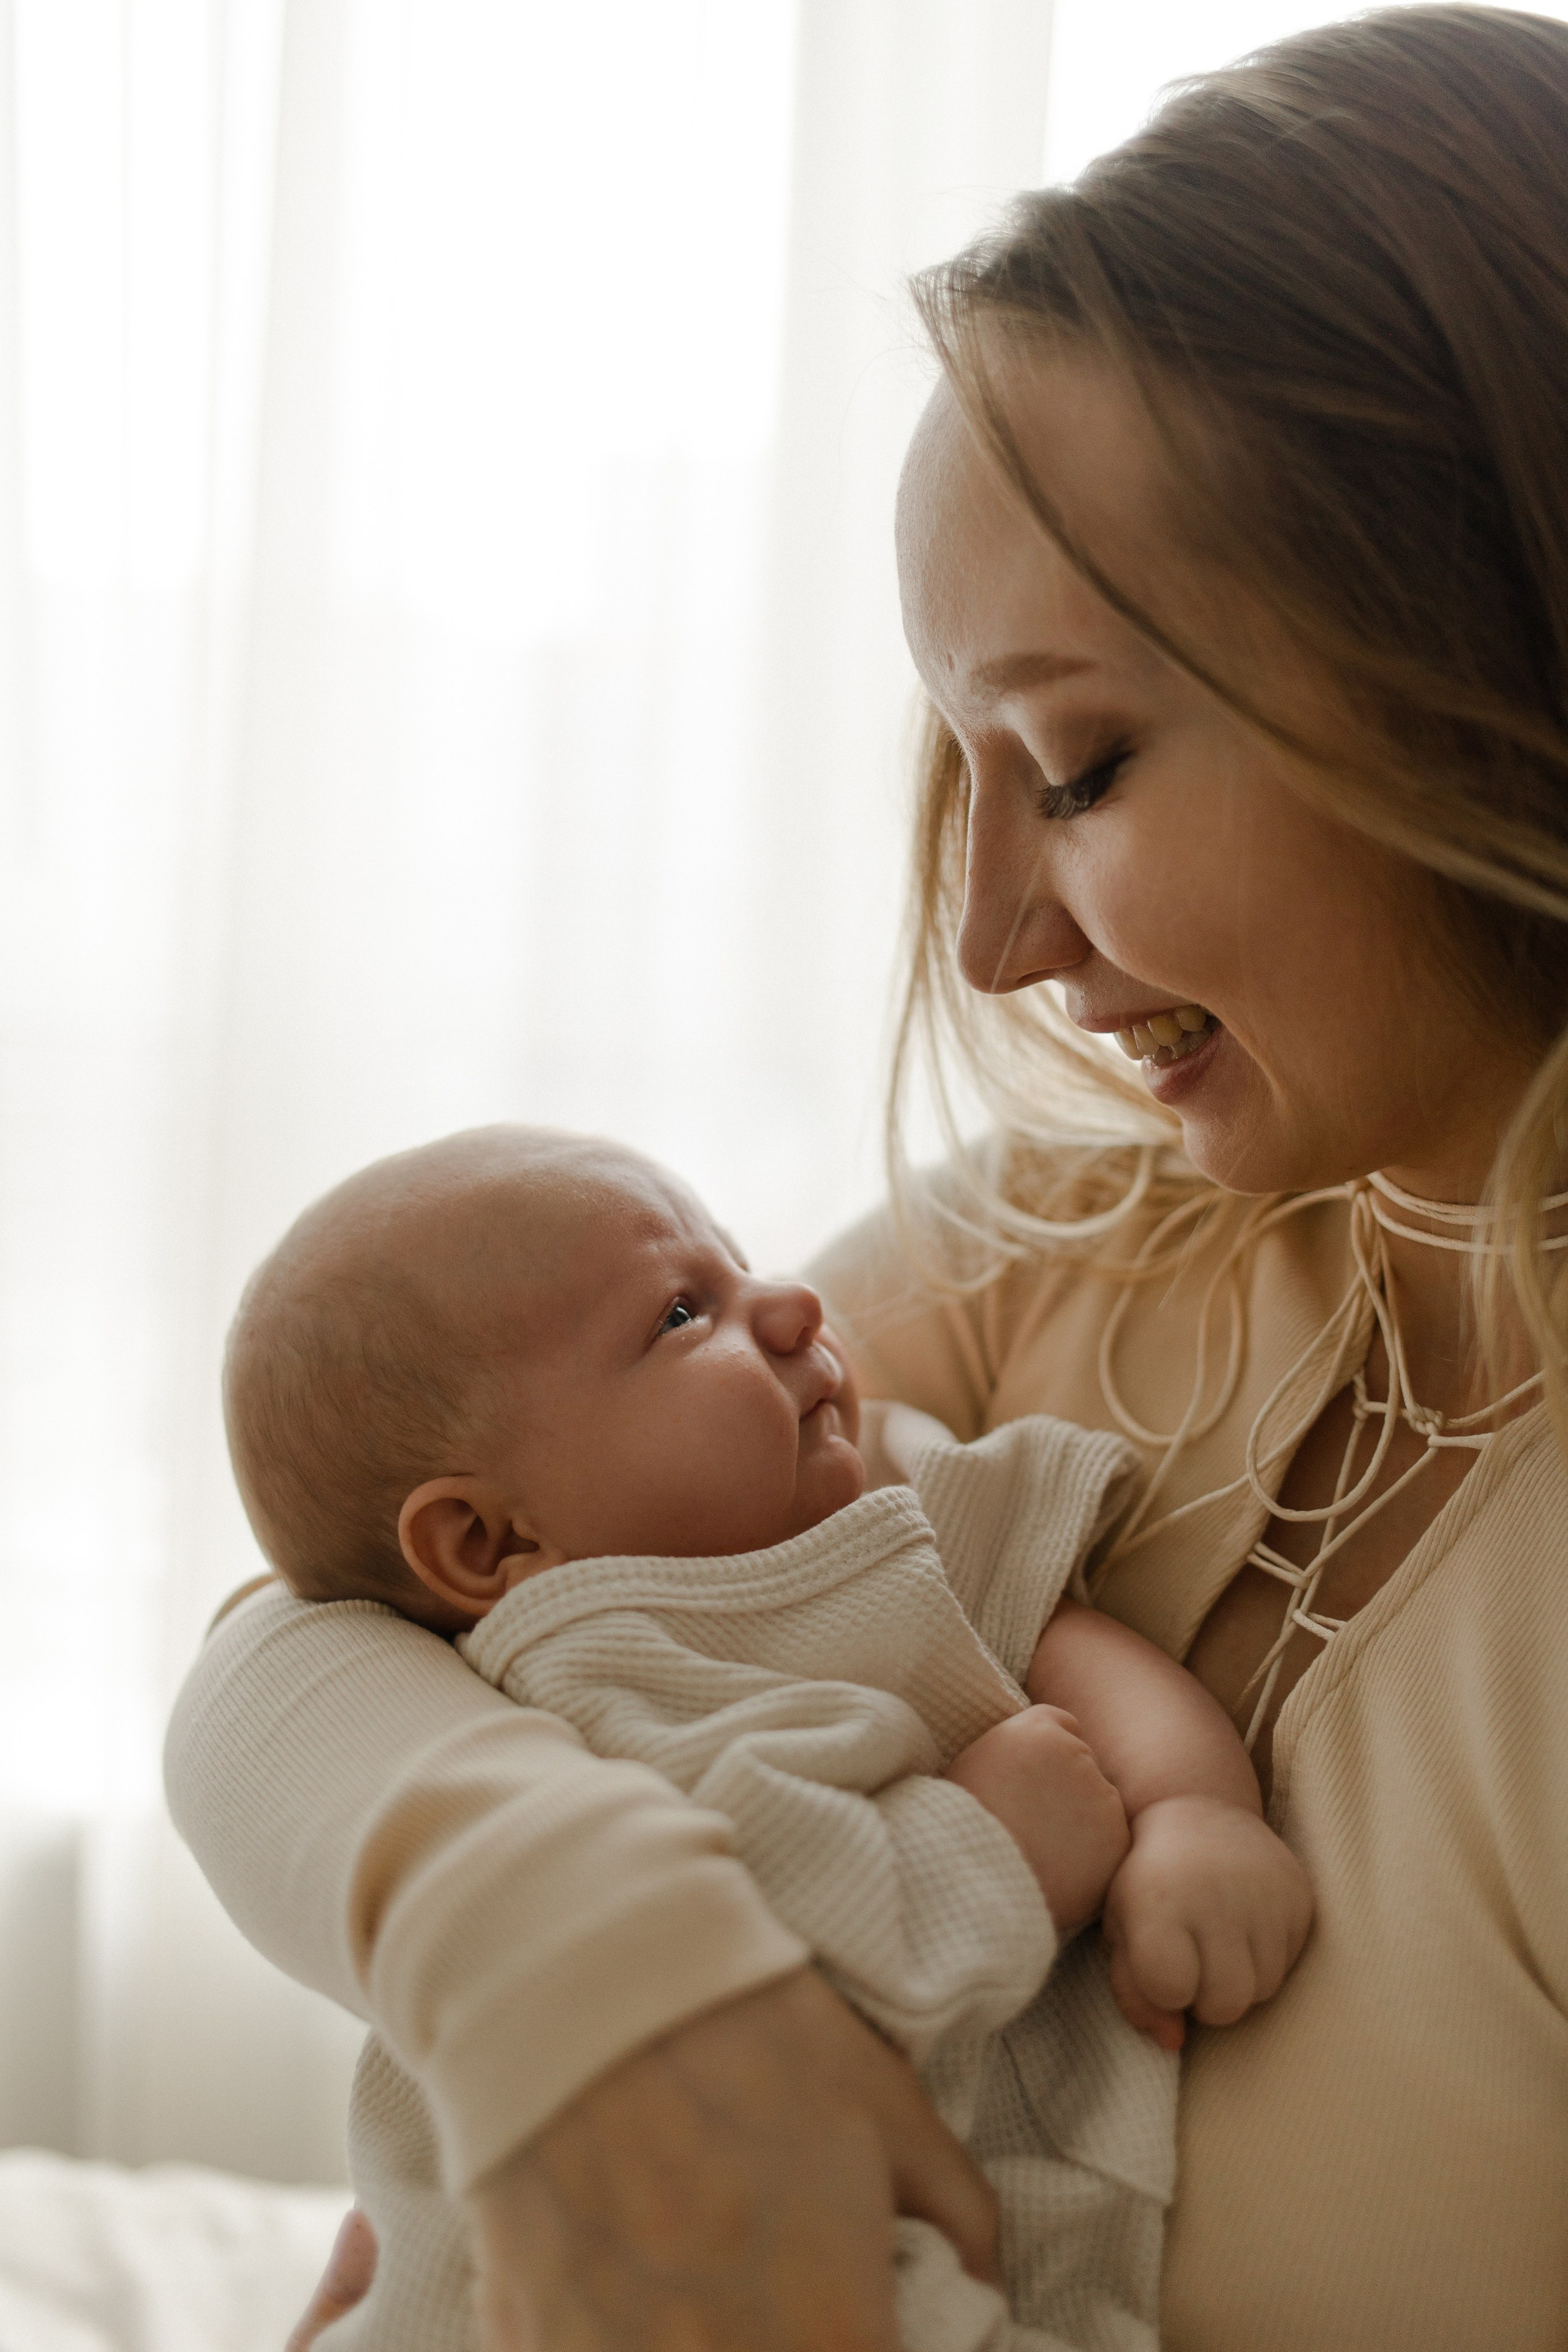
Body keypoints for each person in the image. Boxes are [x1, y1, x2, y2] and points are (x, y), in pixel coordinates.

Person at [166, 7, 1568, 2347]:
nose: (996, 940)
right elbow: (315, 1631)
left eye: (1080, 763)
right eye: (967, 768)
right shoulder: (1072, 1238)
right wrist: (581, 1979)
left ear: (1491, 655)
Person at [217, 1123, 1308, 2348]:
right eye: (682, 1315)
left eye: (739, 1263)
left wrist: (1189, 1809)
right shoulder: (518, 1693)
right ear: (489, 1544)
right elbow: (697, 1985)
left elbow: (1082, 1657)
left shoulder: (902, 1519)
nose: (793, 1304)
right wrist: (980, 1848)